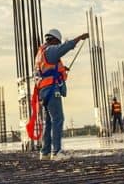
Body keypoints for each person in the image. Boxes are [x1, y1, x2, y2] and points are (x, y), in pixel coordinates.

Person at [35, 28, 88, 160]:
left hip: (43, 91)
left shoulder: (40, 53)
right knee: (58, 119)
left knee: (49, 121)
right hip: (52, 90)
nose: (58, 45)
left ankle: (45, 152)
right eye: (57, 42)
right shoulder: (50, 50)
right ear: (53, 40)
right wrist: (79, 38)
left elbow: (47, 70)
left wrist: (62, 69)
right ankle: (57, 152)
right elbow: (64, 47)